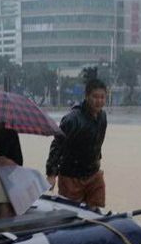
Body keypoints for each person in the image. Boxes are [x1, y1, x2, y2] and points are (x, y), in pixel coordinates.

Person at [46, 78, 108, 208]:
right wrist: (51, 174)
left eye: (102, 97)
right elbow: (57, 145)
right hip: (71, 177)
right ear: (86, 96)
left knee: (97, 212)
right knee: (70, 215)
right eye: (95, 97)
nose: (99, 101)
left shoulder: (103, 117)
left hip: (94, 174)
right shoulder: (72, 119)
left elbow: (97, 143)